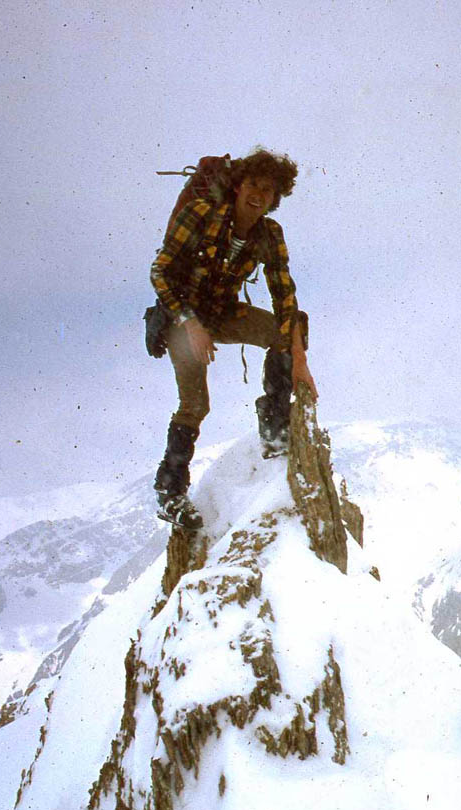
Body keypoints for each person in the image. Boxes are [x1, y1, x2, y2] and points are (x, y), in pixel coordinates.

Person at [150, 148, 317, 529]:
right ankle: (170, 492)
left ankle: (276, 430)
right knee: (195, 405)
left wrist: (299, 359)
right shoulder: (202, 214)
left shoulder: (269, 234)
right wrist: (190, 323)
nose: (259, 194)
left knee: (286, 329)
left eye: (269, 190)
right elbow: (160, 272)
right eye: (254, 184)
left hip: (221, 313)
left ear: (276, 199)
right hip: (181, 316)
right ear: (239, 185)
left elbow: (285, 296)